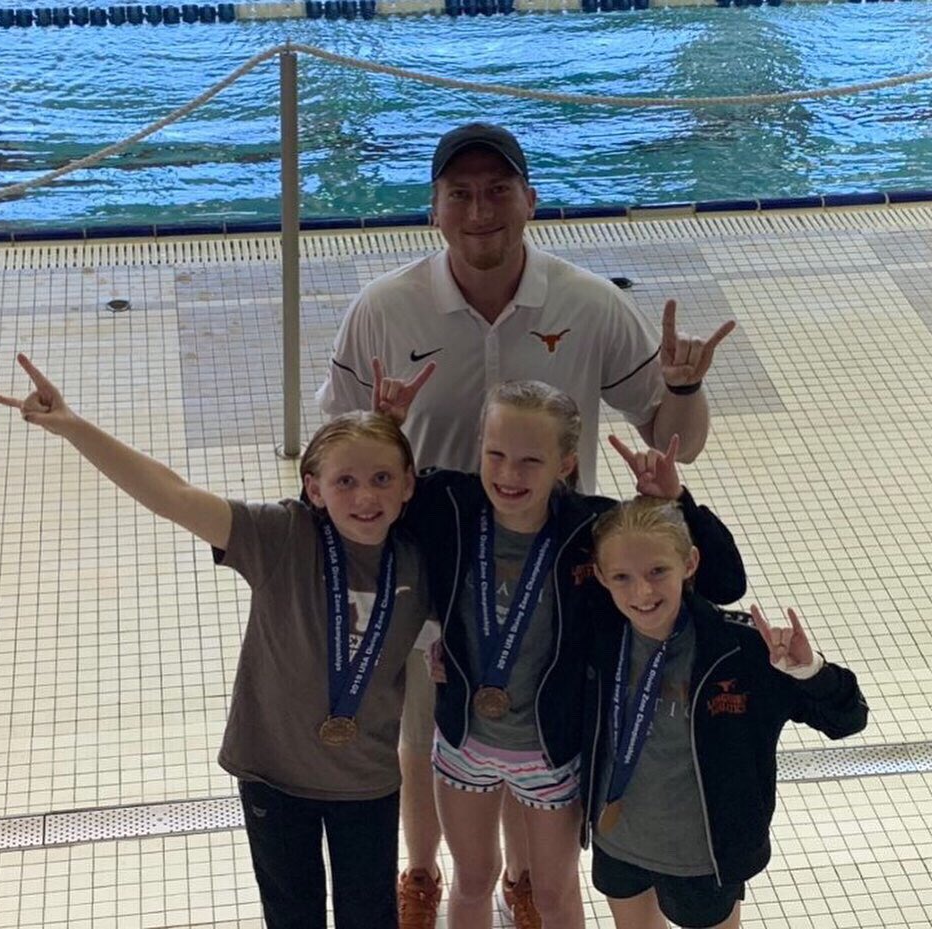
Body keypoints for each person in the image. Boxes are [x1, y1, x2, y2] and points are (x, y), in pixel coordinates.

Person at [318, 121, 736, 929]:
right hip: (431, 564)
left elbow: (670, 432)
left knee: (531, 727)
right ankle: (422, 870)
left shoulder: (587, 303)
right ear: (433, 209)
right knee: (426, 727)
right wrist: (376, 430)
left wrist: (680, 389)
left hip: (556, 571)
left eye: (498, 191)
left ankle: (522, 881)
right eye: (462, 194)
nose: (481, 211)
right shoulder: (384, 310)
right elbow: (338, 444)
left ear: (530, 199)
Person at [0, 354, 431, 929]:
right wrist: (73, 425)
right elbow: (170, 494)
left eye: (381, 479)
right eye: (343, 481)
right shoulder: (280, 538)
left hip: (367, 780)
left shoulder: (423, 559)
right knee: (291, 916)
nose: (365, 496)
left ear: (408, 487)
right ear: (313, 489)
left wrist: (385, 427)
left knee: (370, 918)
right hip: (273, 773)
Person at [377, 371, 746, 929]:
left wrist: (679, 501)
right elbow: (361, 498)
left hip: (551, 750)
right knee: (472, 881)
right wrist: (386, 428)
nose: (508, 473)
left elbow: (723, 582)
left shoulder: (592, 527)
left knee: (553, 896)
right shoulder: (448, 504)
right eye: (496, 453)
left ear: (566, 463)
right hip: (462, 740)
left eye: (531, 461)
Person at [580, 496, 869, 929]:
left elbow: (848, 719)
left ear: (690, 563)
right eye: (622, 577)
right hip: (618, 840)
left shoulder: (743, 650)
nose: (642, 592)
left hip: (704, 857)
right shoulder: (598, 640)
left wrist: (810, 672)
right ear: (601, 577)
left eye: (658, 571)